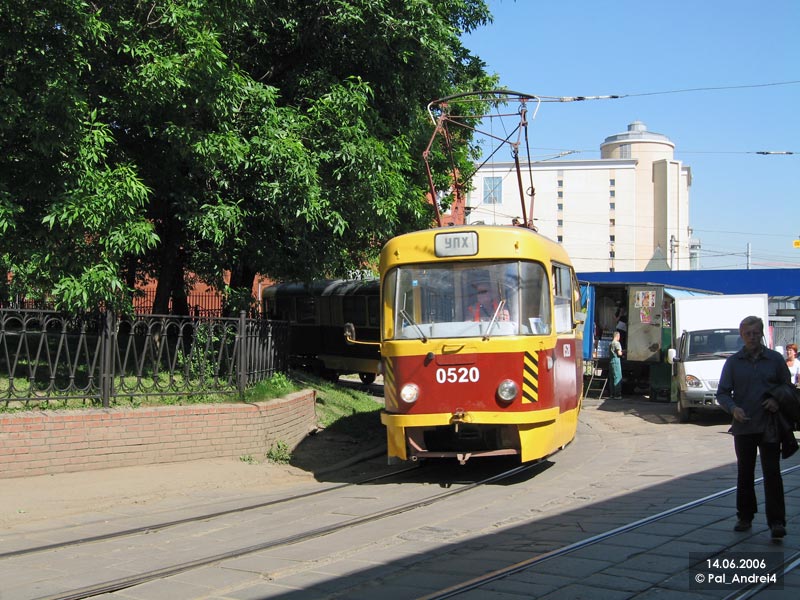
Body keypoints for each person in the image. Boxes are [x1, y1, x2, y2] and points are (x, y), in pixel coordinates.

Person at [716, 315, 792, 539]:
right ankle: (745, 516)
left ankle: (777, 522)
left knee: (772, 473)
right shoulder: (733, 362)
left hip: (769, 425)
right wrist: (732, 409)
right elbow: (722, 393)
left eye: (756, 333)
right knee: (745, 473)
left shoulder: (775, 360)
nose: (752, 337)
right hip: (744, 426)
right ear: (742, 335)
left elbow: (788, 387)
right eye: (748, 334)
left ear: (761, 334)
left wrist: (777, 400)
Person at [608, 330, 623, 399]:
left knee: (612, 378)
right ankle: (617, 395)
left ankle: (612, 394)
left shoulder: (610, 343)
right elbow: (619, 353)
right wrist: (624, 353)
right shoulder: (617, 343)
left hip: (611, 361)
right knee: (617, 377)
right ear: (617, 336)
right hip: (616, 361)